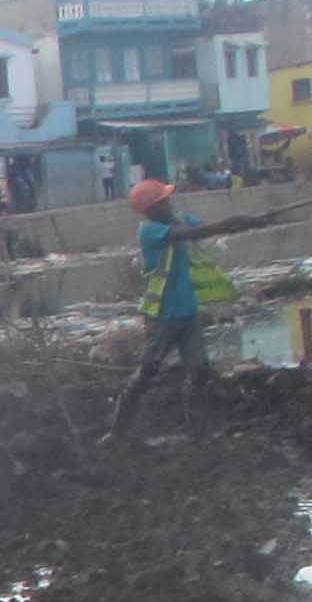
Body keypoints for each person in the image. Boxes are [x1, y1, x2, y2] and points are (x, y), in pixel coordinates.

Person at [107, 175, 278, 435]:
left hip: (187, 312)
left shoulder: (176, 221)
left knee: (199, 371)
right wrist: (237, 222)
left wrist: (254, 222)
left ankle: (196, 429)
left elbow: (210, 228)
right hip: (163, 315)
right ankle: (118, 430)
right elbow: (202, 231)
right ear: (152, 209)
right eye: (164, 201)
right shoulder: (150, 231)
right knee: (147, 372)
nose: (169, 205)